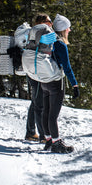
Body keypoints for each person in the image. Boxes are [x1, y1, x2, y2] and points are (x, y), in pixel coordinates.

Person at [42, 14, 80, 153]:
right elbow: (67, 67)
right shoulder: (60, 44)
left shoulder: (48, 40)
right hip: (56, 82)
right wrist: (74, 85)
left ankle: (48, 140)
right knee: (53, 115)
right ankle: (57, 143)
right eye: (68, 28)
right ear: (63, 29)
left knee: (45, 112)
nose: (69, 30)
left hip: (44, 80)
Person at [24, 14, 53, 143]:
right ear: (42, 22)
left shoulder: (33, 34)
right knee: (40, 104)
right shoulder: (40, 33)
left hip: (33, 70)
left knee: (36, 102)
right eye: (49, 21)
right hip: (37, 71)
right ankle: (43, 136)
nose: (51, 24)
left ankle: (30, 132)